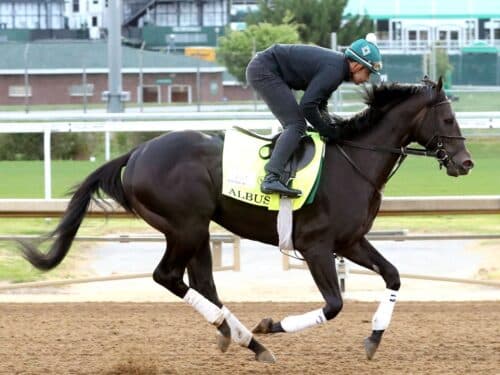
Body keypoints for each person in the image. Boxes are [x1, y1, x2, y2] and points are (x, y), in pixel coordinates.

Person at [246, 36, 382, 198]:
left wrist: (330, 127)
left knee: (297, 125)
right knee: (296, 125)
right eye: (368, 73)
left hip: (267, 67)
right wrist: (327, 130)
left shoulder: (337, 68)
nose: (367, 79)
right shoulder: (335, 71)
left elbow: (319, 103)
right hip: (264, 70)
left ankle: (281, 170)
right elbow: (307, 106)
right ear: (356, 65)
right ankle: (271, 177)